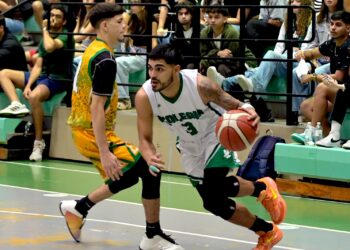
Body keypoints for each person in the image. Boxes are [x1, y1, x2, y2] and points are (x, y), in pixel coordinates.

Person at [135, 43, 287, 250]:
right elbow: (144, 138)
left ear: (176, 69)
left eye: (159, 69)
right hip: (188, 145)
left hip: (216, 135)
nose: (153, 74)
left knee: (213, 188)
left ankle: (262, 191)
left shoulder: (200, 85)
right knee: (213, 203)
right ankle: (267, 227)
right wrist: (149, 156)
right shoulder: (145, 96)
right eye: (150, 68)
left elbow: (232, 102)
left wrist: (249, 109)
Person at [59, 4, 183, 250]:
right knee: (150, 169)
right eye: (119, 21)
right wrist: (104, 151)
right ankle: (152, 236)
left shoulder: (93, 49)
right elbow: (96, 108)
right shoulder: (105, 60)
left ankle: (78, 208)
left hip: (87, 130)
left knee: (127, 176)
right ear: (105, 25)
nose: (124, 25)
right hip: (90, 131)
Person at [0, 5, 74, 162]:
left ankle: (38, 143)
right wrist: (27, 85)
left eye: (58, 16)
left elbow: (49, 46)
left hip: (57, 79)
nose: (53, 18)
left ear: (65, 21)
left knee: (34, 97)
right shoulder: (47, 36)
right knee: (4, 74)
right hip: (42, 76)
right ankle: (16, 103)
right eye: (52, 15)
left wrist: (45, 30)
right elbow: (38, 66)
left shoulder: (66, 36)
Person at [291, 10, 350, 143]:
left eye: (338, 25)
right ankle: (329, 135)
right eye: (332, 24)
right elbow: (313, 53)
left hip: (346, 90)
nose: (333, 28)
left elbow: (339, 76)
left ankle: (311, 133)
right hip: (339, 93)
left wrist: (313, 76)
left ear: (348, 28)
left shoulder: (348, 46)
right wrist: (302, 54)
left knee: (322, 88)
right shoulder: (332, 43)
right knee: (306, 106)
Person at [200, 3, 256, 77]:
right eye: (210, 17)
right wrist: (217, 54)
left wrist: (213, 56)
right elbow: (203, 56)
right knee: (204, 67)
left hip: (244, 62)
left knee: (221, 68)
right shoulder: (204, 33)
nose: (212, 20)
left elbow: (229, 58)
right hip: (220, 62)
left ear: (225, 19)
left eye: (217, 17)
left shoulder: (232, 33)